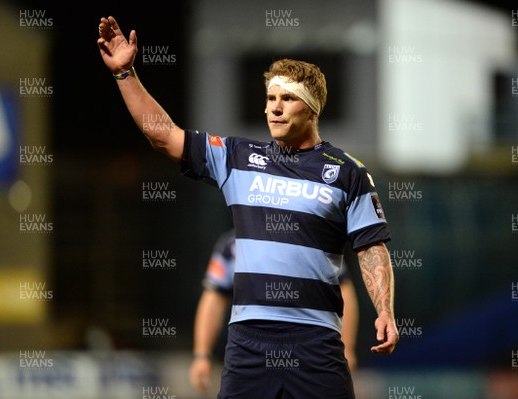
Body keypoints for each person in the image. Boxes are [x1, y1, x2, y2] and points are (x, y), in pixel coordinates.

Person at [97, 15, 399, 399]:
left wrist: (385, 310)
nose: (274, 108)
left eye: (287, 99)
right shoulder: (238, 156)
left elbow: (371, 247)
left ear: (312, 109)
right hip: (249, 343)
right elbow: (163, 135)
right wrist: (126, 74)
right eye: (270, 98)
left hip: (317, 343)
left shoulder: (348, 172)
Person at [189, 229, 361, 395]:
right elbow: (213, 299)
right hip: (251, 352)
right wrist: (202, 355)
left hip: (310, 350)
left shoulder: (312, 236)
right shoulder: (233, 245)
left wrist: (347, 347)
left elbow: (343, 291)